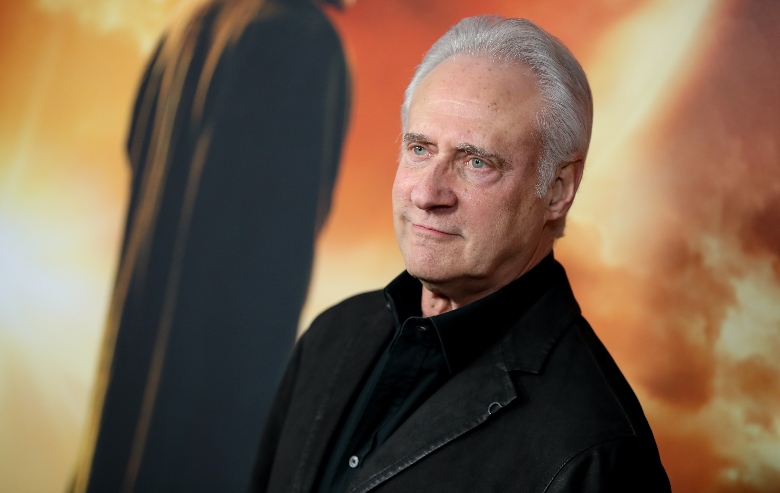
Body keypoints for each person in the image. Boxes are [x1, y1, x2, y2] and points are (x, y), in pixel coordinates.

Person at [250, 15, 671, 493]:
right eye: (420, 149)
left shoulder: (596, 450)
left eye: (475, 162)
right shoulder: (332, 336)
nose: (427, 194)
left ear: (558, 189)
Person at [73, 0, 351, 491]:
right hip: (207, 435)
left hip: (125, 429)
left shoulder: (183, 28)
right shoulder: (302, 40)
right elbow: (276, 265)